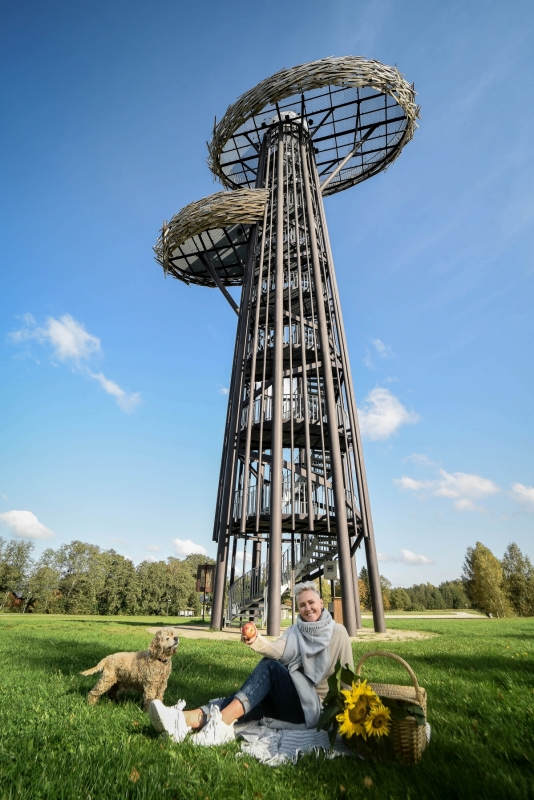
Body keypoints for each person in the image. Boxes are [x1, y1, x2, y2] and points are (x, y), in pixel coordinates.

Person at [148, 580, 354, 746]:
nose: (308, 608)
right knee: (245, 699)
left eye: (311, 603)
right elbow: (277, 650)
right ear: (298, 608)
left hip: (314, 710)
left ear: (320, 603)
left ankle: (221, 725)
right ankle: (182, 720)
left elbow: (347, 679)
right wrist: (255, 639)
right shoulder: (295, 631)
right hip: (289, 700)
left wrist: (349, 718)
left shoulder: (338, 633)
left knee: (270, 667)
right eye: (302, 605)